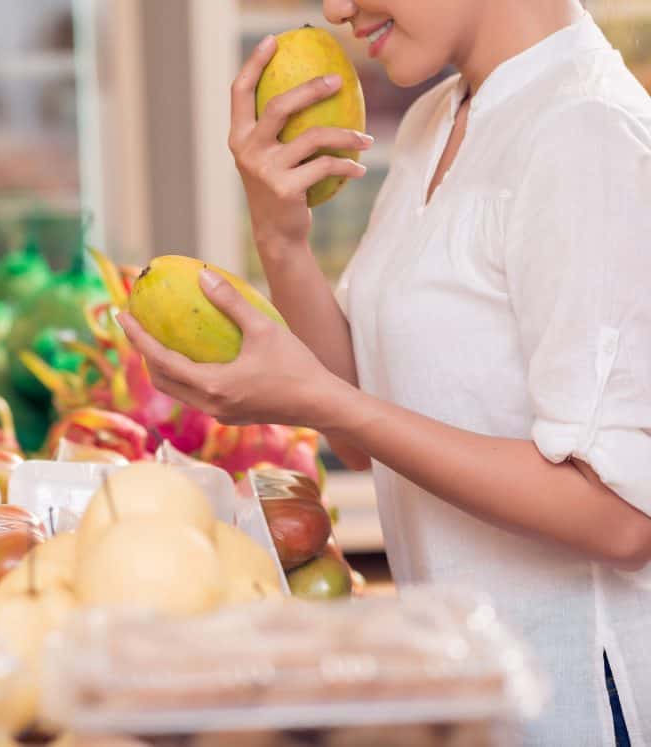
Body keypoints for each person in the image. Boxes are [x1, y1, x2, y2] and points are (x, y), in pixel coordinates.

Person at [117, 1, 651, 745]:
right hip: (472, 692)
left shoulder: (585, 134)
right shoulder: (442, 115)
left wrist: (318, 396)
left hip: (578, 709)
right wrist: (280, 231)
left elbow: (623, 515)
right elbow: (370, 426)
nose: (336, 8)